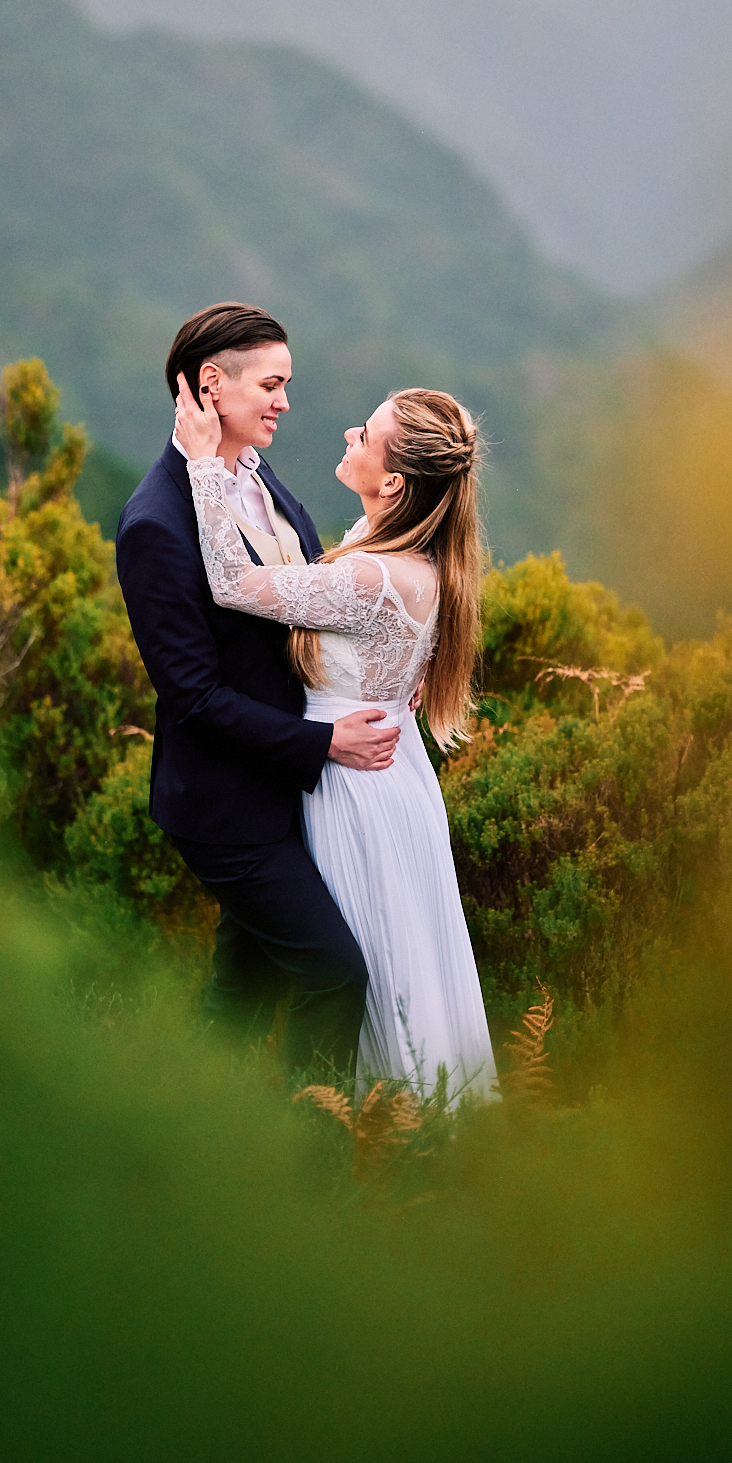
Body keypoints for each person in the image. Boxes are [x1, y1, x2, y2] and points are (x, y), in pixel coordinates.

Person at [174, 371, 498, 1105]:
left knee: (363, 975)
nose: (350, 434)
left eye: (367, 433)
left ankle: (338, 1146)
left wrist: (201, 462)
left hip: (350, 789)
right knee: (346, 963)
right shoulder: (405, 556)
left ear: (390, 482)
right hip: (380, 768)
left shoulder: (374, 578)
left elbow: (230, 583)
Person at [114, 303, 401, 1079]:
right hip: (227, 807)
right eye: (271, 385)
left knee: (244, 986)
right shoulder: (155, 524)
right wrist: (324, 742)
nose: (284, 403)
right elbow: (193, 698)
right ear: (213, 384)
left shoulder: (252, 471)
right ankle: (308, 1155)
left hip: (283, 789)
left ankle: (198, 1141)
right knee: (334, 973)